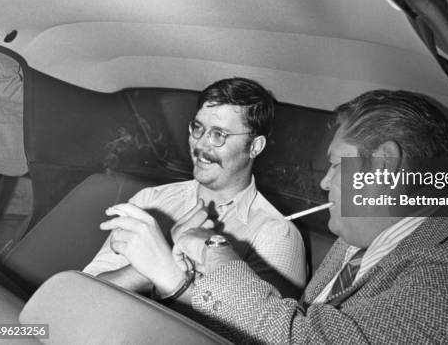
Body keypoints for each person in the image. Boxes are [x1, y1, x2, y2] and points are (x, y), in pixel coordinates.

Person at [150, 89, 448, 344]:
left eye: (336, 164)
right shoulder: (354, 246)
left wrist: (215, 251)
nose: (326, 184)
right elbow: (291, 329)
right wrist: (186, 283)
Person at [84, 77, 306, 301]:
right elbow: (84, 293)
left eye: (219, 134)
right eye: (198, 128)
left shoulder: (276, 234)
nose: (200, 144)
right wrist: (153, 265)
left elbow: (259, 331)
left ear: (255, 147)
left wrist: (163, 266)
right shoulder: (149, 201)